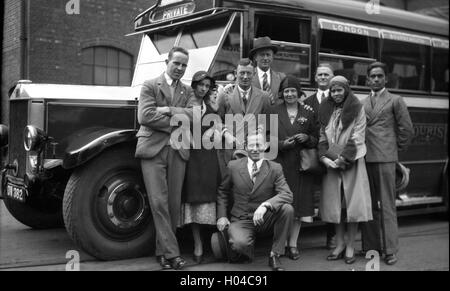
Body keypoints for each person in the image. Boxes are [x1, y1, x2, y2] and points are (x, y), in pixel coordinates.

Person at [135, 46, 196, 270]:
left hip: (178, 150)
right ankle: (173, 254)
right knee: (158, 202)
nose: (180, 68)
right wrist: (177, 119)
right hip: (152, 150)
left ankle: (162, 252)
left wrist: (168, 109)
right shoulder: (150, 85)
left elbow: (194, 115)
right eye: (176, 63)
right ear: (167, 62)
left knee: (172, 204)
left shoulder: (188, 91)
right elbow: (145, 115)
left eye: (184, 65)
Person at [360, 62, 414, 265]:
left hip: (385, 158)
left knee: (387, 206)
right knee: (370, 206)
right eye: (372, 76)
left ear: (386, 79)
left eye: (379, 76)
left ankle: (390, 249)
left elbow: (406, 129)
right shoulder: (363, 102)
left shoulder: (395, 100)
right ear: (367, 80)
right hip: (366, 158)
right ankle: (371, 247)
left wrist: (393, 150)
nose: (375, 79)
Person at [216, 133, 294, 271]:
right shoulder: (233, 166)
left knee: (287, 209)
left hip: (264, 218)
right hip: (242, 218)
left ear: (265, 146)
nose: (255, 148)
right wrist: (222, 216)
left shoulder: (275, 168)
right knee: (239, 244)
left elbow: (287, 194)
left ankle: (275, 254)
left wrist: (265, 205)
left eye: (259, 145)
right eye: (251, 145)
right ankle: (243, 247)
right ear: (246, 147)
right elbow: (223, 191)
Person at [318, 75, 372, 264]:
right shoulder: (326, 108)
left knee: (352, 207)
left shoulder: (357, 108)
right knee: (336, 208)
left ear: (346, 90)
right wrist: (324, 158)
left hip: (352, 163)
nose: (336, 93)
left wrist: (342, 159)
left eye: (339, 89)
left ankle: (350, 245)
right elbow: (322, 137)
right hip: (331, 164)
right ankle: (339, 244)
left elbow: (358, 137)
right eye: (333, 90)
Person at [272, 75, 318, 260]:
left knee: (298, 208)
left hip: (301, 167)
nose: (290, 94)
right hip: (280, 165)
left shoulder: (308, 111)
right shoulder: (272, 111)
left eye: (293, 91)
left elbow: (317, 136)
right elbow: (265, 138)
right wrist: (282, 144)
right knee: (283, 207)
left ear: (299, 93)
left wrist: (307, 139)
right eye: (286, 91)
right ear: (282, 93)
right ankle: (280, 244)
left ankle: (293, 244)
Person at [180, 71, 221, 264]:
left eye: (207, 86)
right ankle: (197, 244)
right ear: (194, 85)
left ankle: (212, 242)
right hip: (191, 159)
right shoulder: (186, 103)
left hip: (209, 159)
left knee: (209, 200)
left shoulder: (211, 108)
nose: (203, 89)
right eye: (201, 85)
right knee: (193, 199)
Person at [304, 63, 337, 250]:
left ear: (332, 77)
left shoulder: (338, 99)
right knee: (309, 192)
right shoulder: (307, 102)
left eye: (327, 74)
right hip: (311, 155)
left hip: (331, 154)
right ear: (315, 78)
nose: (323, 77)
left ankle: (331, 235)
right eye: (320, 75)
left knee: (331, 196)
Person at [217, 58, 272, 164]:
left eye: (249, 73)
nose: (245, 77)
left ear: (254, 73)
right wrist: (226, 134)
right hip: (229, 153)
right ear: (235, 73)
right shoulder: (224, 95)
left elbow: (267, 123)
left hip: (254, 154)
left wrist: (261, 132)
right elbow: (217, 121)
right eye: (242, 73)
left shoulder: (264, 97)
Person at [249, 36, 286, 105]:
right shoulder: (247, 76)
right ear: (255, 58)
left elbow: (284, 101)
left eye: (268, 55)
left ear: (272, 57)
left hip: (274, 115)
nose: (265, 58)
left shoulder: (281, 78)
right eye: (262, 55)